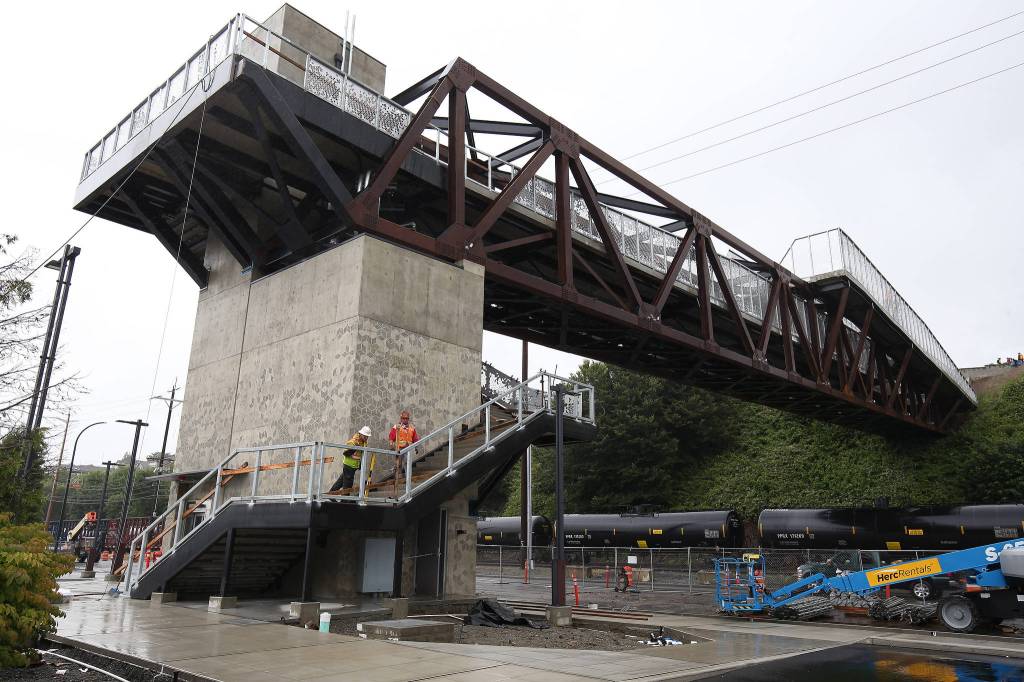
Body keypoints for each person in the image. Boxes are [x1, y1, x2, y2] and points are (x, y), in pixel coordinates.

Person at [329, 426, 371, 493]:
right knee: (348, 483)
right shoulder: (353, 442)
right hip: (349, 465)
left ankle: (331, 493)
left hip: (354, 466)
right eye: (365, 436)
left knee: (341, 481)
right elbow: (347, 454)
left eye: (367, 436)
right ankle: (345, 500)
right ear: (361, 434)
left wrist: (359, 463)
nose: (366, 438)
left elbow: (361, 454)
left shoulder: (363, 443)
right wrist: (358, 458)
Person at [389, 410, 419, 492]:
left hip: (408, 449)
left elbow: (415, 439)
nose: (405, 420)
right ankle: (397, 479)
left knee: (407, 463)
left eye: (406, 418)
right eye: (403, 418)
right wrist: (391, 444)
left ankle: (408, 479)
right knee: (398, 464)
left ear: (408, 419)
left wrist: (416, 447)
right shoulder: (397, 427)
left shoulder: (412, 428)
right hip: (399, 448)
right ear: (401, 418)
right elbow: (391, 436)